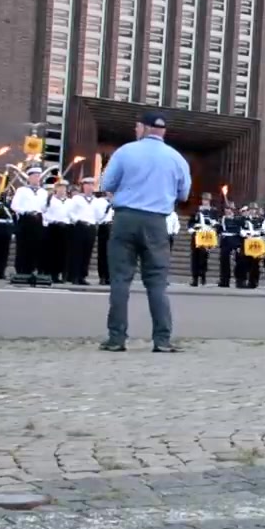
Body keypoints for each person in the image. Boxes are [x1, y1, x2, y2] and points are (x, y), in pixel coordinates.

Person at [99, 111, 191, 353]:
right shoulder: (177, 158)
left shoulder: (125, 151)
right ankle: (162, 340)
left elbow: (106, 184)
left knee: (120, 280)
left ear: (142, 128)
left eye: (136, 127)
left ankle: (116, 338)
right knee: (157, 283)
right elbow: (184, 194)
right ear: (163, 132)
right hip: (156, 221)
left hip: (125, 219)